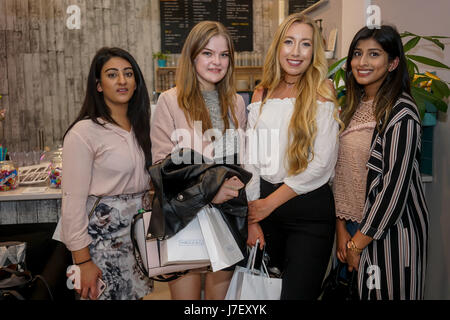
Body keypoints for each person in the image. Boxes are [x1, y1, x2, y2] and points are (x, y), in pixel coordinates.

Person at [244, 12, 341, 300]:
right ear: (278, 47)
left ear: (314, 52)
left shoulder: (323, 92)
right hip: (263, 213)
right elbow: (250, 159)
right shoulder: (261, 93)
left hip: (308, 214)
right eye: (289, 42)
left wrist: (267, 205)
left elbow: (322, 164)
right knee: (262, 296)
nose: (296, 52)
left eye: (305, 44)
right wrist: (253, 217)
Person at [150, 21, 247, 300]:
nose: (217, 61)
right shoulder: (170, 101)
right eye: (207, 53)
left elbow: (234, 161)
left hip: (228, 216)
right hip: (185, 218)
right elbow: (161, 166)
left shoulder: (235, 103)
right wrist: (209, 192)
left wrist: (231, 187)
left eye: (224, 54)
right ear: (192, 56)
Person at [333, 25, 429, 300]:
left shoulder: (402, 112)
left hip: (386, 234)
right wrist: (342, 229)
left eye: (374, 54)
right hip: (351, 229)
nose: (362, 62)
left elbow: (393, 190)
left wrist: (357, 244)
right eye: (357, 53)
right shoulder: (352, 105)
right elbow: (342, 173)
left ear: (393, 63)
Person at [59, 47, 153, 300]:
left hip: (137, 242)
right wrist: (83, 261)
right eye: (112, 75)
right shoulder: (84, 132)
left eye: (128, 74)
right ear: (99, 85)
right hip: (99, 247)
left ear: (136, 82)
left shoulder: (143, 128)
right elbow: (72, 202)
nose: (122, 80)